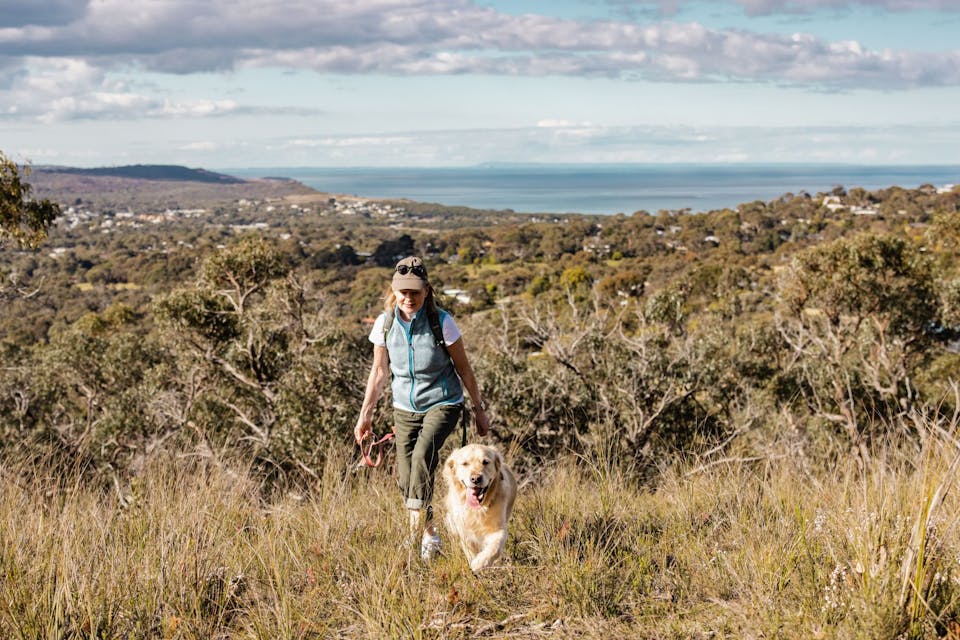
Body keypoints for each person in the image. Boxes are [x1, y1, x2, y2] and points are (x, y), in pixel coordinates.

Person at [354, 256, 490, 561]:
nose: (408, 298)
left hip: (443, 402)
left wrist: (479, 409)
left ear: (426, 291)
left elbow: (464, 369)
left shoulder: (443, 322)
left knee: (421, 456)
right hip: (404, 408)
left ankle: (415, 535)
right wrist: (365, 416)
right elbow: (378, 372)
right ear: (394, 291)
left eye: (415, 292)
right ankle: (430, 534)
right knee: (407, 475)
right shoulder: (385, 324)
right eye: (402, 292)